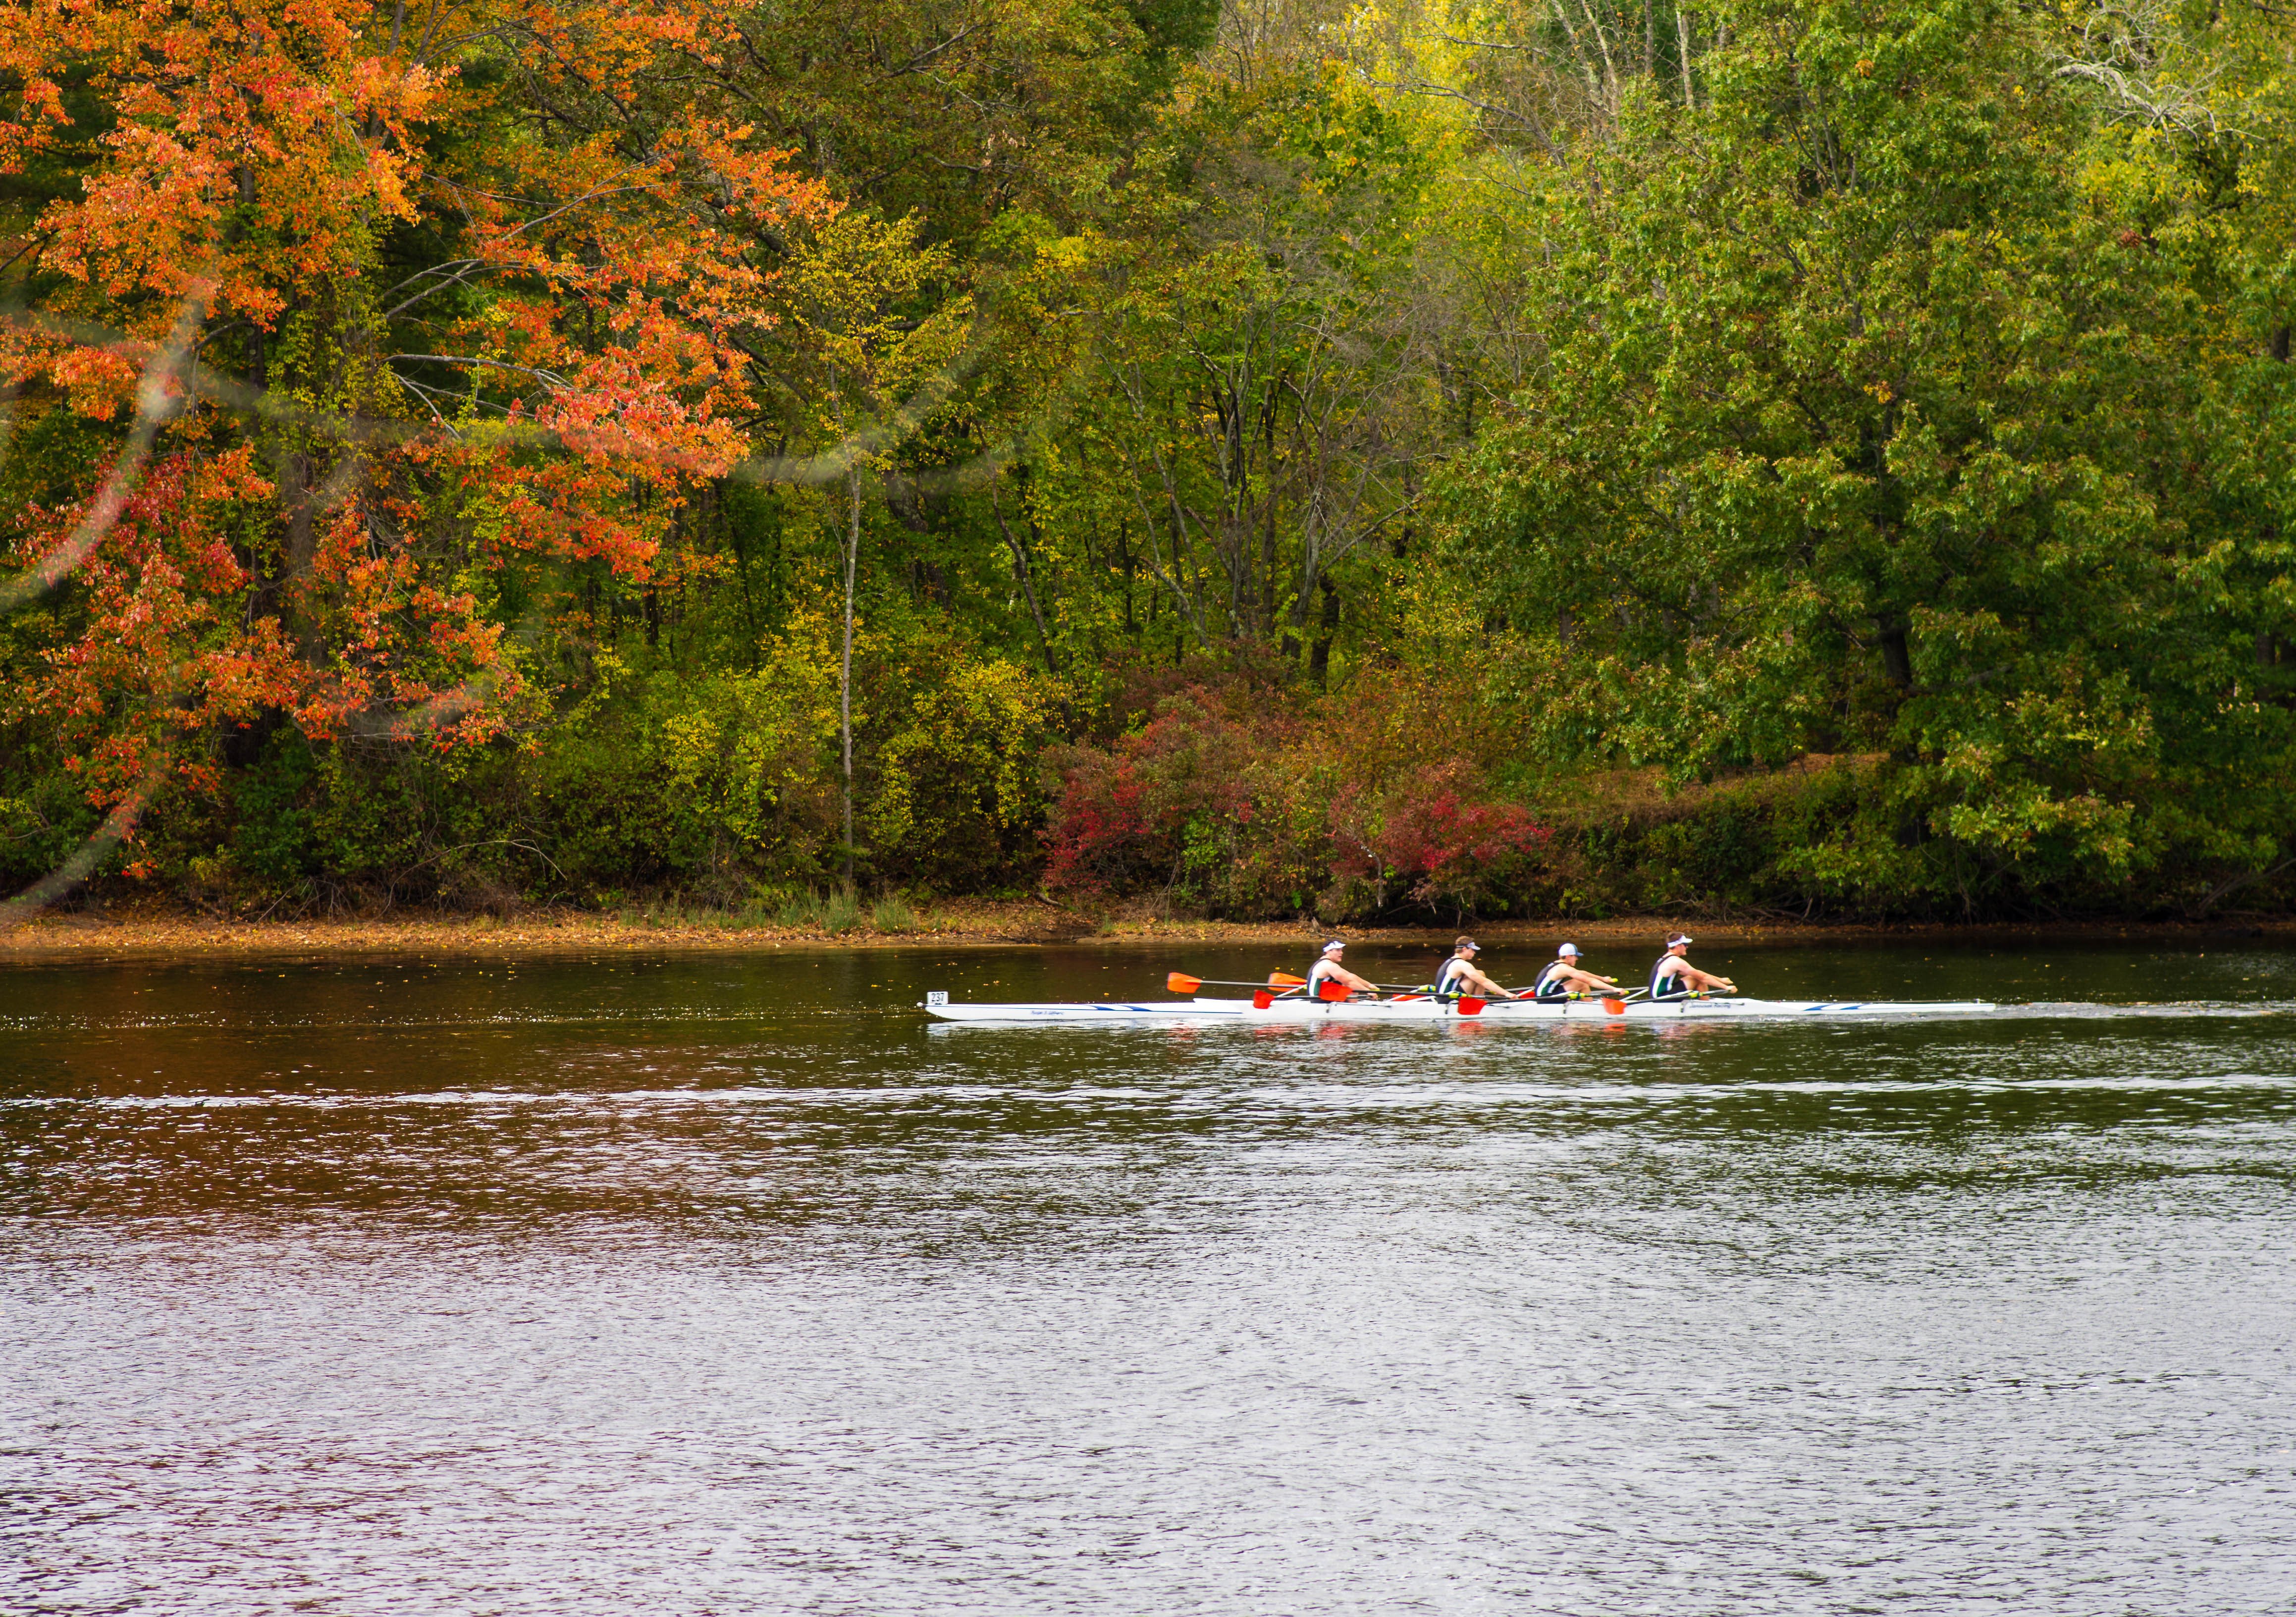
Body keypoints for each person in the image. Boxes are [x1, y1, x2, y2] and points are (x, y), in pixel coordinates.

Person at [1647, 933, 1736, 1001]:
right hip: (1662, 998)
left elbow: (1698, 973)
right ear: (1679, 946)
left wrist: (1721, 980)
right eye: (1685, 945)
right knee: (1698, 979)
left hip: (1659, 996)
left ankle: (1706, 1003)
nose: (1687, 947)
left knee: (1695, 977)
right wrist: (1726, 988)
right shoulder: (1676, 961)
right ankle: (1706, 1006)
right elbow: (1703, 978)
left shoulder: (1667, 958)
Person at [1435, 937, 1518, 1003]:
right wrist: (1507, 994)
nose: (1475, 952)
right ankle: (1479, 1002)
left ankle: (1478, 1000)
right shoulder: (1462, 964)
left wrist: (1499, 992)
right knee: (1480, 975)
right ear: (1464, 949)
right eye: (1473, 950)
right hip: (1448, 1000)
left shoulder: (1451, 961)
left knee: (1478, 973)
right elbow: (1484, 982)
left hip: (1443, 997)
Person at [1531, 943, 1620, 1003]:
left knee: (1580, 982)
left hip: (1544, 996)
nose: (1577, 959)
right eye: (1576, 956)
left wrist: (1603, 979)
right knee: (1583, 984)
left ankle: (1586, 1004)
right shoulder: (1564, 968)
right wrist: (1614, 989)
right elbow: (1590, 981)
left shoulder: (1558, 964)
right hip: (1545, 999)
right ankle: (1590, 1009)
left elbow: (1582, 973)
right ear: (1569, 957)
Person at [1305, 938, 1378, 1001]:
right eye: (1338, 950)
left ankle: (1352, 1007)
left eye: (1341, 950)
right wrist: (1368, 992)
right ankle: (1353, 1011)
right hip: (1318, 1000)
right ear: (1328, 951)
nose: (1341, 953)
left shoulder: (1326, 963)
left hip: (1320, 996)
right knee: (1350, 985)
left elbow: (1350, 975)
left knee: (1351, 980)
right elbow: (1349, 983)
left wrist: (1369, 985)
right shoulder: (1329, 965)